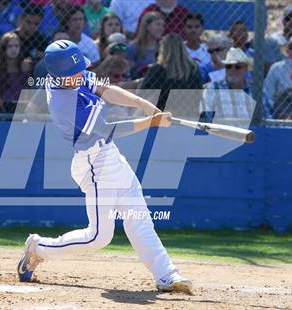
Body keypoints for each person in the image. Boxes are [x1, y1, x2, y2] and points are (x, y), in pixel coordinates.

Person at [17, 39, 193, 295]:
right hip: (93, 163)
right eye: (74, 73)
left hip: (109, 156)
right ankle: (38, 248)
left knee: (139, 218)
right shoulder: (65, 105)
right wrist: (151, 122)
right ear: (60, 75)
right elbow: (110, 130)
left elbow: (107, 90)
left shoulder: (69, 78)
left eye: (80, 70)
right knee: (98, 236)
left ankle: (166, 273)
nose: (82, 75)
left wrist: (145, 104)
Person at [140, 33, 202, 112]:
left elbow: (144, 93)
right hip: (188, 112)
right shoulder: (194, 69)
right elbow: (199, 94)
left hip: (161, 114)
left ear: (163, 49)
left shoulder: (157, 70)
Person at [202, 47, 254, 120]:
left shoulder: (255, 90)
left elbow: (266, 116)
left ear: (246, 69)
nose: (232, 70)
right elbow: (208, 119)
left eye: (238, 67)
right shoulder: (213, 88)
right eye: (229, 66)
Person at [0, 32, 32, 113]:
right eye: (10, 46)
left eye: (16, 46)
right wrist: (3, 108)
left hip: (22, 106)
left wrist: (23, 107)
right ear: (3, 48)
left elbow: (28, 88)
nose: (13, 49)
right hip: (2, 107)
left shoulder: (25, 66)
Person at [126, 11, 164, 79]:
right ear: (147, 26)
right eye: (158, 24)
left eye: (163, 25)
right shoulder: (133, 48)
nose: (161, 28)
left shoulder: (163, 48)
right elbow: (128, 73)